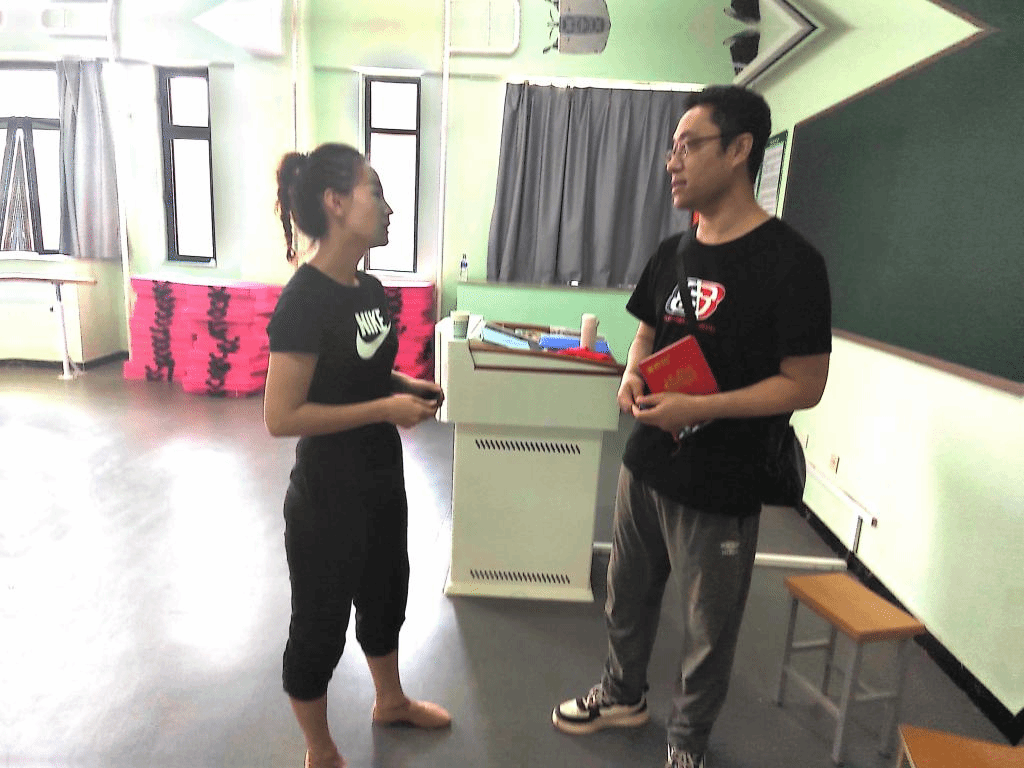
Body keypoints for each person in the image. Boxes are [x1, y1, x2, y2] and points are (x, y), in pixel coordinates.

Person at [551, 86, 832, 768]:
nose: (671, 160)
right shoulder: (674, 251)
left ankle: (687, 743)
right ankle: (621, 695)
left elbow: (805, 384)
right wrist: (631, 374)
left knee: (710, 628)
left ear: (739, 150)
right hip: (647, 461)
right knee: (626, 595)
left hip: (724, 481)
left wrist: (703, 408)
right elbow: (649, 330)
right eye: (671, 147)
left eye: (688, 144)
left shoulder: (792, 263)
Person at [265, 142, 451, 768]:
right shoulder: (303, 301)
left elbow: (361, 372)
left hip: (380, 482)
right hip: (327, 499)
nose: (389, 207)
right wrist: (383, 409)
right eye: (377, 191)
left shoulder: (367, 289)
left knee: (385, 595)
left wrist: (404, 386)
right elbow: (281, 416)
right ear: (336, 202)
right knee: (319, 626)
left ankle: (390, 701)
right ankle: (320, 751)